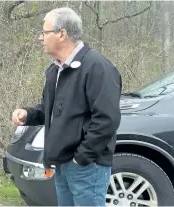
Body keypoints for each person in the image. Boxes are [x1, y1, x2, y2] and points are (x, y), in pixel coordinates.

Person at [12, 7, 122, 206]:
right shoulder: (56, 70)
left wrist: (82, 157)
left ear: (61, 33)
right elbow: (49, 109)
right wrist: (27, 114)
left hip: (87, 167)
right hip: (63, 164)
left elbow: (107, 119)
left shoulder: (97, 67)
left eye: (44, 33)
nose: (40, 38)